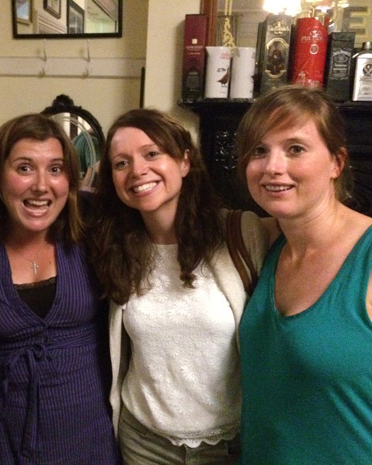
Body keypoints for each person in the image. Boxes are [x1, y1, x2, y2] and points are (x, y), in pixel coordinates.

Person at [235, 85, 372, 464]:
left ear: (336, 163)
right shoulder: (265, 242)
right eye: (259, 151)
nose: (272, 167)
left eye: (295, 149)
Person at [87, 108, 269, 465]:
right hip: (144, 443)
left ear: (185, 161)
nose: (137, 170)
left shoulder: (240, 233)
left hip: (227, 444)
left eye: (152, 154)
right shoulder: (115, 246)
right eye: (121, 163)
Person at [0, 113, 121, 465]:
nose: (42, 185)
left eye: (56, 169)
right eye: (24, 168)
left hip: (88, 435)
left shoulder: (92, 227)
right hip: (2, 439)